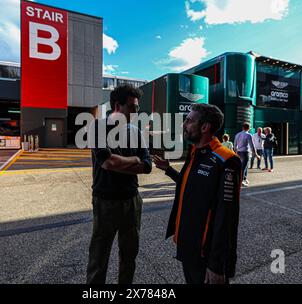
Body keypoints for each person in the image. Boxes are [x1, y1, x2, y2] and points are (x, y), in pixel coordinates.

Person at [152, 104, 242, 284]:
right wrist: (169, 170)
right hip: (189, 246)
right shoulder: (195, 152)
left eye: (189, 120)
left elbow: (227, 217)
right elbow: (192, 187)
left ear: (204, 127)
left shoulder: (227, 160)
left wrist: (216, 264)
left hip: (206, 254)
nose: (184, 124)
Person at [86, 84, 152, 284]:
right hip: (105, 201)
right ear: (117, 106)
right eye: (132, 107)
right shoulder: (97, 127)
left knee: (129, 255)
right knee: (99, 257)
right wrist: (134, 160)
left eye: (137, 107)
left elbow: (147, 166)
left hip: (132, 200)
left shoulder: (136, 131)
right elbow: (107, 162)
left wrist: (125, 162)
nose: (136, 112)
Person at [234, 123, 259, 187]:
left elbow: (235, 145)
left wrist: (235, 152)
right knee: (244, 167)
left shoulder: (237, 134)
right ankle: (241, 181)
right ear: (249, 128)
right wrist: (256, 154)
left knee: (242, 166)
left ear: (242, 127)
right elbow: (252, 146)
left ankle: (244, 179)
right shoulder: (248, 135)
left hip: (239, 152)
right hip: (245, 152)